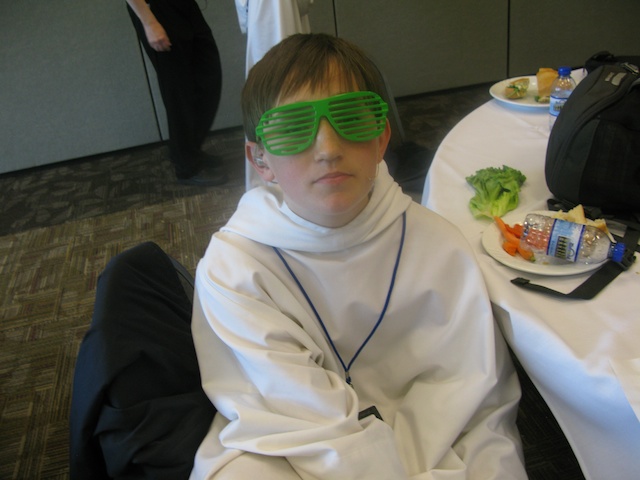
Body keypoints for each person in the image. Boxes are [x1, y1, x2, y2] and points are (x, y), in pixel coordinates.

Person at [189, 33, 527, 478]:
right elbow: (285, 404)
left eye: (350, 117)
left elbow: (473, 387)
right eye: (293, 127)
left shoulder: (437, 245)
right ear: (260, 159)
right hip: (291, 437)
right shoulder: (235, 266)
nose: (328, 149)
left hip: (429, 426)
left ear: (382, 138)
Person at [126, 0, 227, 186]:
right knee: (179, 90)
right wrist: (149, 23)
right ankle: (187, 167)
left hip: (183, 4)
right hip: (155, 10)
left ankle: (189, 150)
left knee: (207, 75)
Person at [234, 0, 315, 190]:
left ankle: (302, 168)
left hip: (279, 9)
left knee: (298, 77)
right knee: (272, 86)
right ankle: (276, 172)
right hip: (269, 10)